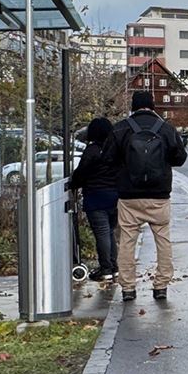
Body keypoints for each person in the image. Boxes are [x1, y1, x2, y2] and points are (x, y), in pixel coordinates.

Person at [109, 90, 187, 303]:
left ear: (133, 106)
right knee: (163, 239)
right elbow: (180, 158)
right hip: (159, 195)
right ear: (153, 106)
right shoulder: (166, 129)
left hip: (128, 195)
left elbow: (108, 159)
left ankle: (128, 288)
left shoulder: (121, 128)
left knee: (127, 241)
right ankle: (161, 285)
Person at [68, 116, 121, 282]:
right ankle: (113, 266)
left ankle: (105, 269)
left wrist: (73, 184)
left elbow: (81, 173)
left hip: (96, 197)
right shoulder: (116, 150)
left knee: (102, 233)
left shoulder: (92, 151)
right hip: (115, 197)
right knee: (110, 232)